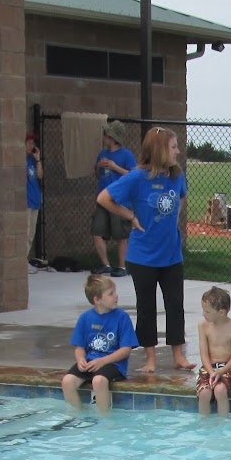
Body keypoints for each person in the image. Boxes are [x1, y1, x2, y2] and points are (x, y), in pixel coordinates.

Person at [101, 127, 194, 374]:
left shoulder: (176, 176)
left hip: (171, 253)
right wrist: (131, 215)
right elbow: (104, 198)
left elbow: (181, 197)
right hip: (143, 255)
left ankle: (178, 354)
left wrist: (171, 219)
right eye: (173, 147)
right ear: (160, 150)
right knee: (147, 306)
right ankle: (150, 358)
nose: (178, 151)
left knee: (175, 304)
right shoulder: (136, 177)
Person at [61, 273, 136, 414]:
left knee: (99, 381)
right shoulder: (85, 318)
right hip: (91, 362)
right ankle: (78, 416)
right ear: (97, 300)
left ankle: (104, 418)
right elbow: (79, 347)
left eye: (115, 292)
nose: (116, 296)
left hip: (114, 364)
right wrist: (80, 360)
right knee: (67, 381)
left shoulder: (122, 317)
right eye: (110, 294)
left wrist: (103, 361)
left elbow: (126, 349)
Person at [92, 120, 137, 275]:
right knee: (97, 231)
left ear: (112, 138)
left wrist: (115, 167)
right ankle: (105, 264)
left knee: (120, 235)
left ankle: (122, 266)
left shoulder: (126, 155)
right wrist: (99, 166)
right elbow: (97, 175)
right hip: (102, 199)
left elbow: (133, 176)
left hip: (119, 201)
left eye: (106, 135)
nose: (104, 138)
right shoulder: (102, 153)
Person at [196, 286, 231, 416]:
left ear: (221, 312)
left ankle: (224, 422)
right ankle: (204, 424)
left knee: (220, 390)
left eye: (207, 311)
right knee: (204, 393)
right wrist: (212, 372)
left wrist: (220, 372)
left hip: (228, 369)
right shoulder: (203, 326)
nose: (203, 314)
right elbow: (204, 355)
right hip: (208, 368)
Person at [24, 132, 43, 267]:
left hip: (35, 199)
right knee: (25, 232)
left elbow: (40, 175)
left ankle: (24, 260)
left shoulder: (31, 160)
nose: (32, 145)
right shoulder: (21, 160)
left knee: (31, 234)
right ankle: (22, 261)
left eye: (33, 143)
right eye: (29, 143)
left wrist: (37, 160)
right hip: (26, 200)